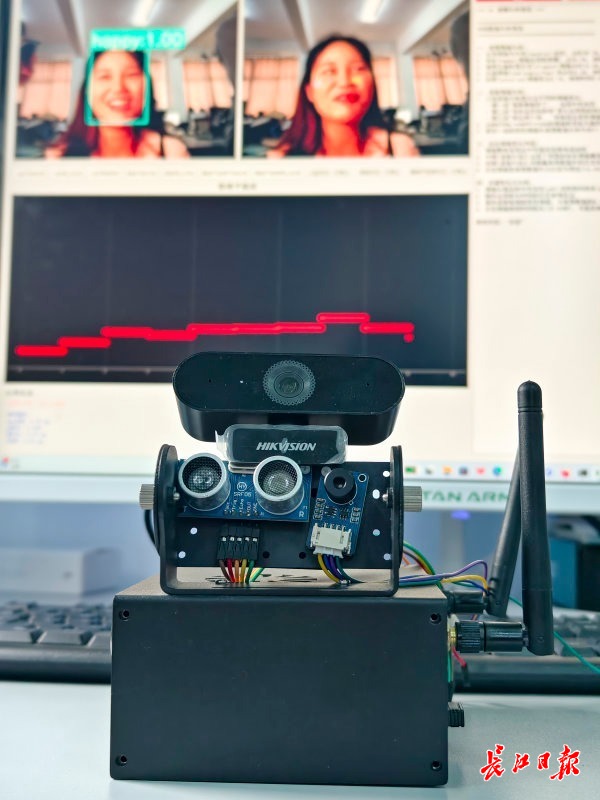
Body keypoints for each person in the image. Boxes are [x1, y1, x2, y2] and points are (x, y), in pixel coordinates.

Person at [268, 35, 419, 158]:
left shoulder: (401, 150)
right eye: (329, 71)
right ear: (309, 91)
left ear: (372, 85)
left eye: (358, 69)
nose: (344, 82)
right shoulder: (282, 160)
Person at [46, 50, 189, 158]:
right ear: (86, 90)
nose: (118, 88)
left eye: (131, 75)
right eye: (104, 76)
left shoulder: (172, 152)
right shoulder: (58, 156)